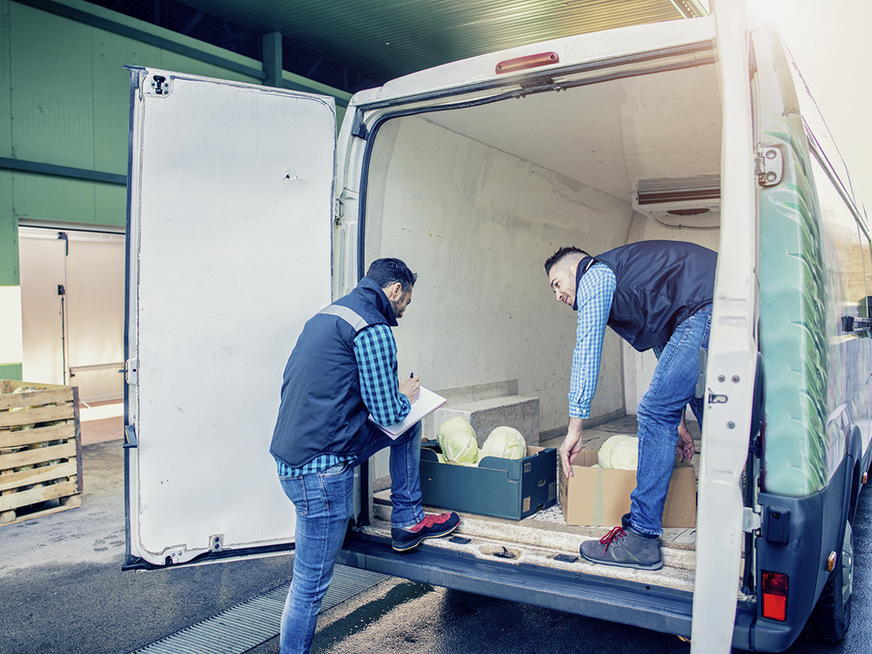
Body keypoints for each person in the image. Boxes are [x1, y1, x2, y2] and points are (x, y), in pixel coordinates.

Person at [270, 258, 460, 653]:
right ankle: (408, 519)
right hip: (321, 473)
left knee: (409, 424)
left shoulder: (328, 315)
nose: (403, 310)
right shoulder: (372, 327)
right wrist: (404, 394)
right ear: (395, 290)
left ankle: (408, 520)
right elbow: (388, 412)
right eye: (406, 302)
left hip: (295, 459)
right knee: (308, 587)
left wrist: (396, 400)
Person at [544, 240, 716, 571]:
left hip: (706, 306)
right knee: (713, 413)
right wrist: (678, 421)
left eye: (557, 284)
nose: (558, 296)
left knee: (653, 413)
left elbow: (587, 347)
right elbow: (668, 344)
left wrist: (575, 427)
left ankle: (641, 537)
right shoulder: (638, 279)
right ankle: (734, 511)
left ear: (576, 268)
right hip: (720, 305)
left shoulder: (595, 274)